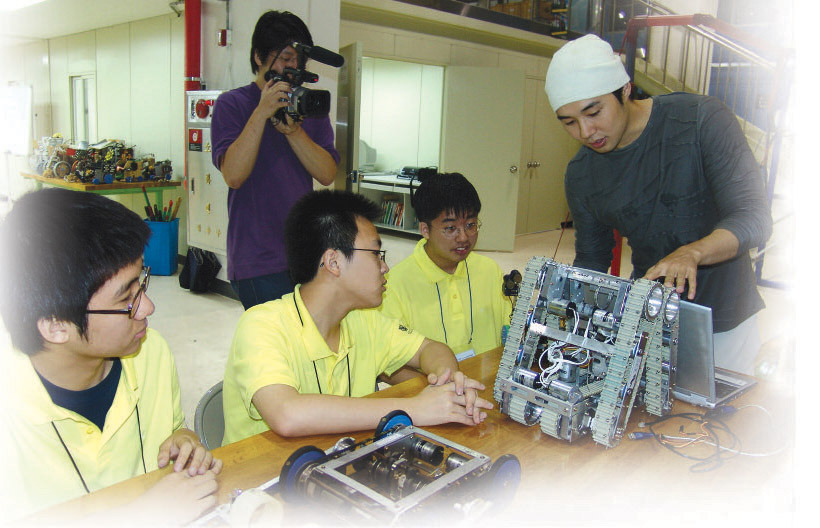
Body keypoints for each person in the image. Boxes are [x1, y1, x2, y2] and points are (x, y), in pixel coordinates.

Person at [543, 34, 772, 374]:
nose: (587, 131)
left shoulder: (699, 121)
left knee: (723, 418)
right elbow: (592, 258)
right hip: (652, 318)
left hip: (726, 319)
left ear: (625, 90)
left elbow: (754, 218)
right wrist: (569, 313)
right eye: (569, 122)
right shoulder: (582, 174)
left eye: (594, 112)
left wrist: (692, 253)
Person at [0, 188, 222, 523]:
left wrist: (183, 440)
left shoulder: (151, 352)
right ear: (56, 325)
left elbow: (170, 428)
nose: (148, 307)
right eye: (125, 299)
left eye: (141, 285)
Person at [221, 190, 493, 444]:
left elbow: (431, 349)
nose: (385, 267)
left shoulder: (364, 320)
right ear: (334, 262)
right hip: (262, 482)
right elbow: (287, 414)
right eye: (376, 254)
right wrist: (414, 408)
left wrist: (447, 383)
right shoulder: (261, 325)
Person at [211, 10, 340, 310]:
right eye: (284, 57)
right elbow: (234, 175)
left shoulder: (308, 106)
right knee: (273, 350)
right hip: (257, 260)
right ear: (259, 56)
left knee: (305, 346)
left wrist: (294, 132)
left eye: (298, 59)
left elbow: (326, 173)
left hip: (305, 255)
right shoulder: (232, 105)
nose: (292, 66)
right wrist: (262, 111)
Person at [380, 173, 512, 383]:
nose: (464, 237)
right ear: (425, 229)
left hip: (491, 385)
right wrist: (441, 390)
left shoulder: (489, 271)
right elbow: (385, 365)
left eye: (471, 225)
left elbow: (510, 336)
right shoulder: (394, 285)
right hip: (434, 396)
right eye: (450, 228)